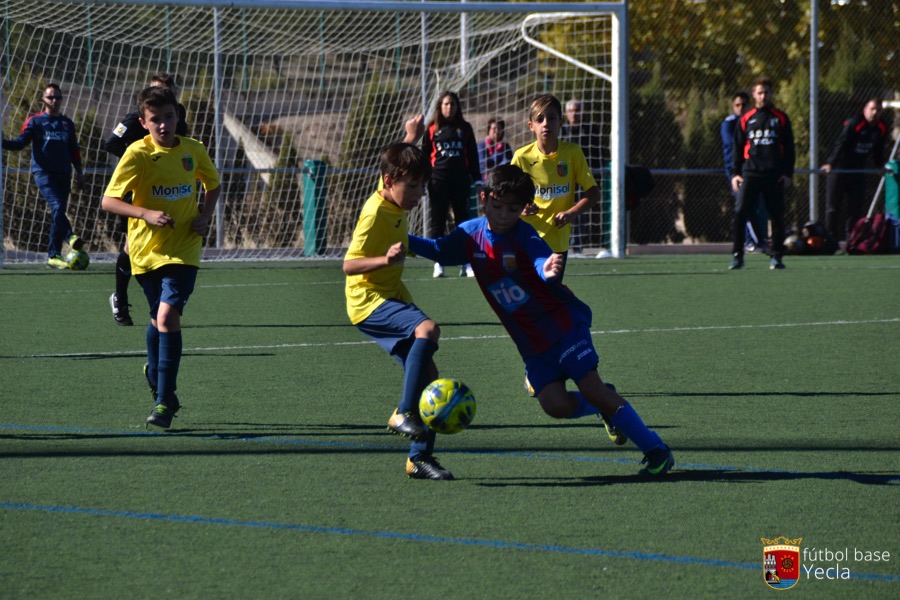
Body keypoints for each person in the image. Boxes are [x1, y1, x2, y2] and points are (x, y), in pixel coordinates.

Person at [407, 164, 675, 477]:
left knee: (591, 387)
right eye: (497, 206)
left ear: (523, 208)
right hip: (531, 343)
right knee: (555, 406)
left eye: (513, 209)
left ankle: (656, 451)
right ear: (483, 198)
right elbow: (440, 251)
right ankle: (606, 403)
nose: (504, 215)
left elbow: (539, 259)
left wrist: (546, 270)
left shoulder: (524, 234)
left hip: (562, 325)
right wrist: (403, 238)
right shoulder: (470, 233)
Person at [100, 86, 221, 429]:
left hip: (184, 249)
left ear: (178, 116)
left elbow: (212, 185)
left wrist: (205, 216)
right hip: (145, 252)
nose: (164, 125)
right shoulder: (137, 153)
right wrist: (146, 213)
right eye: (156, 120)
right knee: (157, 319)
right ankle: (155, 374)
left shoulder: (193, 149)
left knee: (167, 316)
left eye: (169, 117)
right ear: (144, 122)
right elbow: (109, 201)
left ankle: (165, 400)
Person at [343, 142, 453, 481]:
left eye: (422, 186)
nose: (419, 194)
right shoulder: (375, 213)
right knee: (428, 329)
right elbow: (348, 265)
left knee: (429, 377)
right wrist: (385, 260)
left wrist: (411, 137)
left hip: (390, 295)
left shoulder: (392, 189)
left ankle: (418, 459)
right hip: (368, 300)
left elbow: (396, 165)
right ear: (390, 181)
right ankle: (403, 412)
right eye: (414, 186)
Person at [105, 72, 189, 326]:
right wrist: (142, 162)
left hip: (169, 190)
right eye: (154, 90)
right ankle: (120, 297)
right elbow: (112, 143)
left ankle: (164, 304)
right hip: (139, 191)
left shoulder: (178, 114)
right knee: (131, 246)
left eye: (165, 92)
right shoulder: (135, 119)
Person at [511, 94, 600, 280]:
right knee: (525, 291)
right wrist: (521, 207)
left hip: (557, 243)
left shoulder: (573, 153)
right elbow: (508, 196)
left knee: (550, 291)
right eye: (540, 119)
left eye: (551, 118)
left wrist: (572, 213)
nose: (546, 124)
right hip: (526, 238)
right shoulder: (521, 157)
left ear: (560, 122)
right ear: (531, 125)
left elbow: (593, 193)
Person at [2, 83, 86, 269]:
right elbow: (20, 143)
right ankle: (71, 237)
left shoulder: (67, 124)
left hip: (64, 173)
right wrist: (3, 142)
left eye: (58, 97)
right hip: (43, 173)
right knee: (57, 205)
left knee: (58, 212)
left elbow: (73, 150)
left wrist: (80, 172)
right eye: (50, 97)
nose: (54, 100)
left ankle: (53, 255)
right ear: (43, 100)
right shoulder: (35, 121)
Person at [730, 77, 795, 270]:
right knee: (740, 212)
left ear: (771, 94)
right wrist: (735, 173)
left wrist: (787, 173)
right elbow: (737, 148)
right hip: (751, 174)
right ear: (754, 95)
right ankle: (737, 256)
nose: (763, 96)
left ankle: (777, 257)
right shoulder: (746, 119)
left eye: (766, 92)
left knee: (776, 216)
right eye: (759, 92)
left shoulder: (780, 118)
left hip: (773, 175)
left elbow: (789, 149)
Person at [421, 91, 482, 278]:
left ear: (457, 107)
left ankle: (466, 262)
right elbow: (425, 157)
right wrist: (422, 181)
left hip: (460, 182)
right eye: (446, 104)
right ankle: (438, 262)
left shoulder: (465, 128)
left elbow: (472, 155)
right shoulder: (432, 128)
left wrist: (478, 180)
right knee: (437, 223)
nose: (449, 107)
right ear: (440, 107)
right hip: (438, 182)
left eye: (453, 104)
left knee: (463, 222)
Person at [821, 98, 888, 247]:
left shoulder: (881, 127)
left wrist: (880, 165)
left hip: (857, 171)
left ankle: (852, 241)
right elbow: (841, 143)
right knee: (833, 208)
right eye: (872, 109)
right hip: (840, 169)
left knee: (855, 208)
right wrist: (831, 163)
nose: (875, 113)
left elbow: (878, 149)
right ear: (865, 110)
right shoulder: (855, 123)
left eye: (878, 110)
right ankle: (830, 241)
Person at [721, 91, 766, 252]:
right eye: (737, 105)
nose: (740, 108)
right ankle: (752, 241)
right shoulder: (729, 124)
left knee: (755, 205)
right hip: (738, 172)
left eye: (743, 105)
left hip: (753, 169)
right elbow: (734, 145)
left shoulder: (753, 121)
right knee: (744, 205)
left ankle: (757, 240)